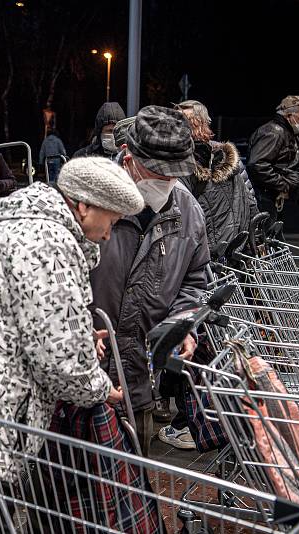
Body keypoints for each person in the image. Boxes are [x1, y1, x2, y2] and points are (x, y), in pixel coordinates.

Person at [0, 157, 143, 529]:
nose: (109, 233)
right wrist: (101, 388)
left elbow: (16, 315)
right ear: (84, 206)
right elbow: (60, 361)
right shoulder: (47, 240)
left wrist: (78, 333)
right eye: (112, 219)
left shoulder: (15, 224)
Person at [91, 105, 209, 455]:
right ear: (127, 156)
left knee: (128, 492)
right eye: (157, 171)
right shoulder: (90, 200)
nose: (165, 181)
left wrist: (182, 326)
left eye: (174, 173)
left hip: (137, 382)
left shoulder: (188, 213)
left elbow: (194, 281)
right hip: (82, 376)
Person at [176, 100, 259, 252]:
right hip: (220, 248)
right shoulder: (182, 162)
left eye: (188, 121)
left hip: (222, 248)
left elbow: (249, 198)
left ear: (201, 122)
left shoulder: (219, 157)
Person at [247, 95, 299, 222]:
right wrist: (283, 184)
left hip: (271, 196)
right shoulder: (274, 132)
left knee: (273, 236)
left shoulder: (287, 131)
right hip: (264, 197)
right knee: (264, 237)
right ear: (289, 115)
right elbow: (257, 164)